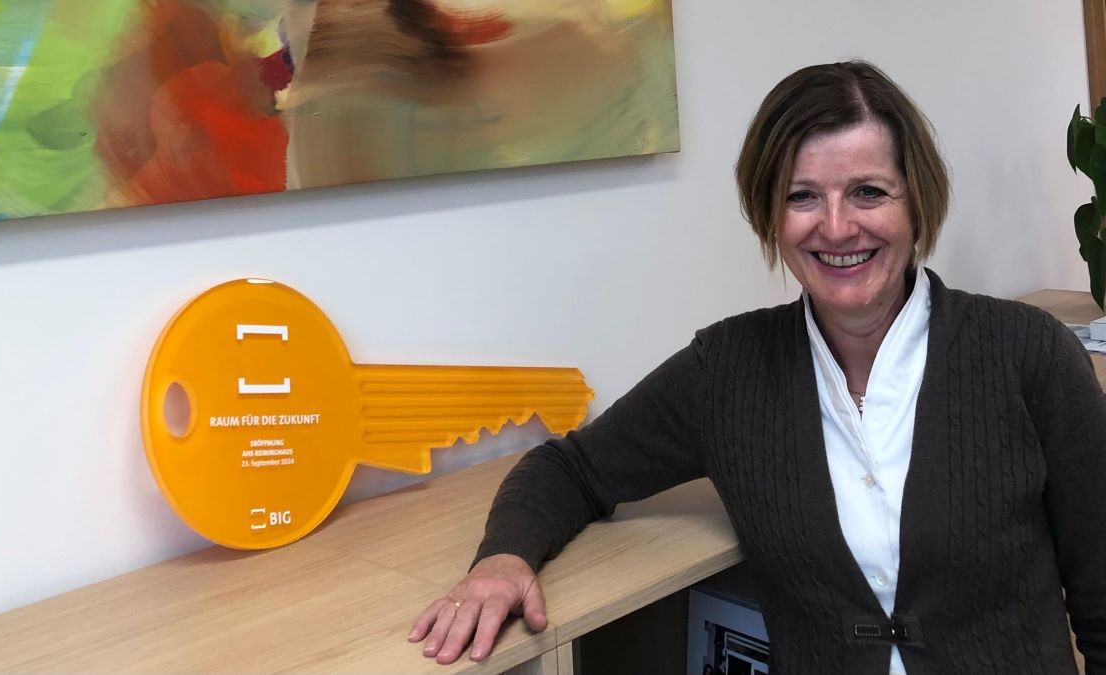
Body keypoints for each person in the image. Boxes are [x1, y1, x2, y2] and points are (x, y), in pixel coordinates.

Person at [408, 60, 1106, 673]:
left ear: (916, 201)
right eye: (803, 196)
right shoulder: (726, 371)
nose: (837, 226)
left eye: (868, 191)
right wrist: (503, 558)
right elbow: (572, 469)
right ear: (770, 215)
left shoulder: (1030, 353)